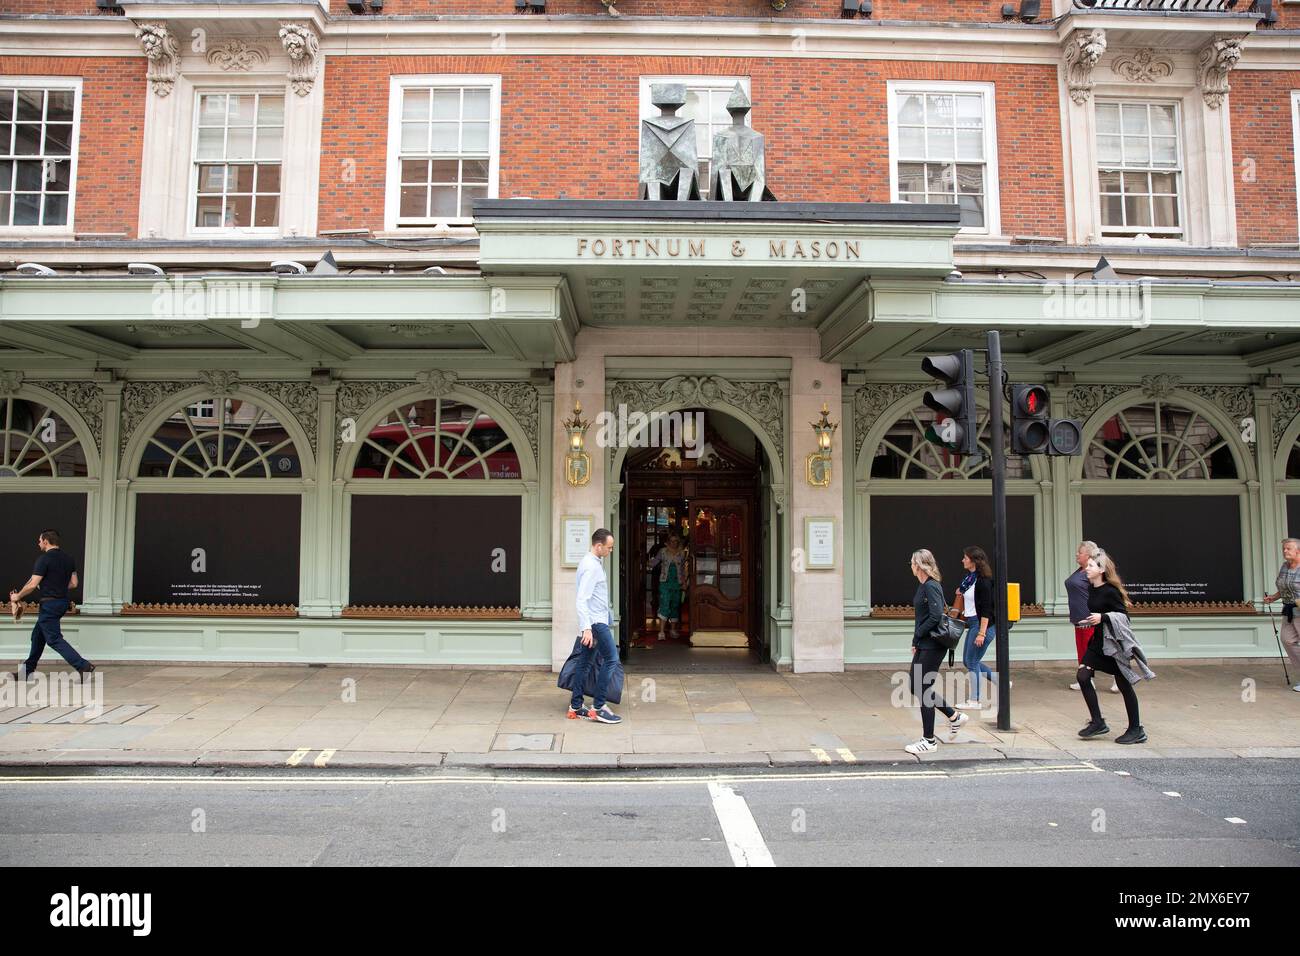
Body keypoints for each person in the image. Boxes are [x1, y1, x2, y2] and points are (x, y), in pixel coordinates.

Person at [1075, 549, 1147, 744]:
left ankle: (1136, 729)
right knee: (1082, 676)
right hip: (1098, 642)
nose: (1086, 569)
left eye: (1090, 566)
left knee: (1123, 684)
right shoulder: (1092, 588)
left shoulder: (1110, 591)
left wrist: (1103, 617)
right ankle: (1098, 722)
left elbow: (1124, 617)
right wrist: (1092, 621)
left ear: (1101, 569)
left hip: (1113, 645)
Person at [904, 548, 969, 755]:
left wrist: (917, 637)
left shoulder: (931, 586)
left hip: (933, 644)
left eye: (913, 562)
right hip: (925, 643)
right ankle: (954, 716)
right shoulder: (923, 586)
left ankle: (929, 740)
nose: (911, 566)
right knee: (916, 685)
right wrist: (918, 640)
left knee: (923, 688)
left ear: (920, 565)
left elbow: (934, 617)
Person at [9, 529, 95, 681]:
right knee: (38, 636)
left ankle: (83, 666)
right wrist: (57, 585)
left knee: (54, 639)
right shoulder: (69, 559)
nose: (39, 543)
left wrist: (18, 596)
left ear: (46, 541)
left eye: (40, 540)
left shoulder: (44, 559)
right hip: (62, 603)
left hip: (49, 604)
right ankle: (27, 671)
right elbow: (74, 583)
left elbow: (33, 584)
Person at [566, 528, 622, 724]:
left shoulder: (590, 562)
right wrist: (587, 628)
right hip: (597, 622)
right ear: (599, 546)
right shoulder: (592, 567)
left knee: (585, 663)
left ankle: (576, 705)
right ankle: (598, 707)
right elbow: (582, 599)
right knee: (612, 659)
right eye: (609, 547)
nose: (610, 550)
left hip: (594, 621)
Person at [1065, 540, 1119, 695]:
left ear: (1088, 555)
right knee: (1083, 650)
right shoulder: (1080, 571)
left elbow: (1103, 590)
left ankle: (1119, 677)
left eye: (1079, 552)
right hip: (1079, 619)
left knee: (1103, 650)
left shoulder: (1092, 572)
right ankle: (1086, 679)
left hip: (1091, 620)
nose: (1077, 554)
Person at [956, 546, 998, 709]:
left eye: (965, 558)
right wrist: (961, 591)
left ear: (973, 561)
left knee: (972, 661)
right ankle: (998, 681)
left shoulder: (983, 581)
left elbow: (986, 608)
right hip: (973, 622)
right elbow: (968, 596)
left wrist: (981, 632)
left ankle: (975, 700)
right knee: (968, 660)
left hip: (982, 625)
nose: (963, 560)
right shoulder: (969, 579)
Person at [1263, 536, 1300, 693]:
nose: (1285, 551)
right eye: (1284, 548)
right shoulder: (1285, 566)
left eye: (1288, 548)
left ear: (1298, 551)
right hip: (1289, 609)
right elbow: (1283, 587)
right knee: (1287, 640)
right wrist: (1273, 597)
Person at [647, 531, 687, 642]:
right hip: (665, 582)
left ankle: (673, 630)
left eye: (676, 541)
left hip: (677, 583)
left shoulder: (682, 553)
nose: (674, 543)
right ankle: (661, 631)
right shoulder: (663, 551)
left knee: (675, 605)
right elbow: (654, 562)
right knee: (665, 604)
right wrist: (646, 560)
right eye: (672, 541)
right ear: (668, 542)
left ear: (678, 542)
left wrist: (684, 583)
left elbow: (683, 570)